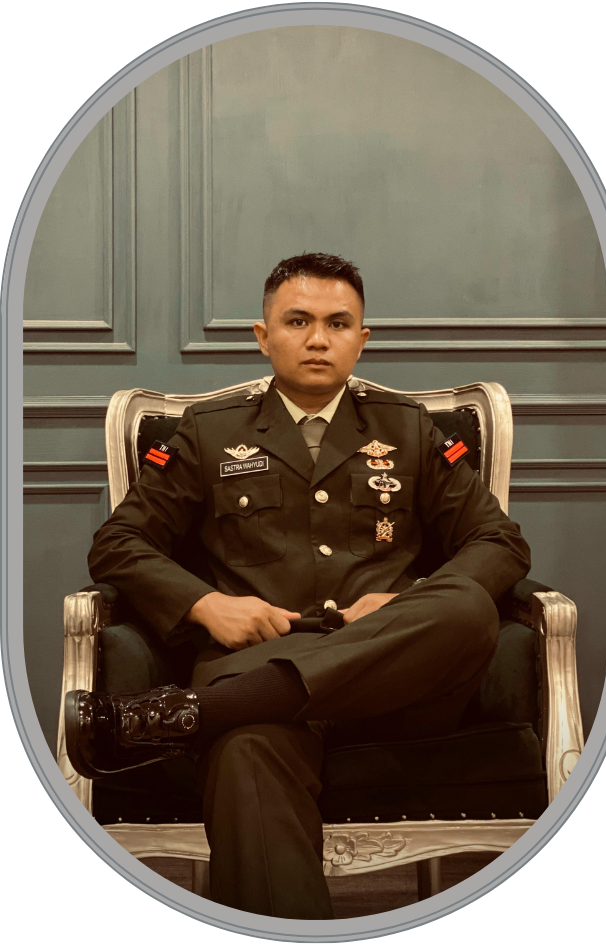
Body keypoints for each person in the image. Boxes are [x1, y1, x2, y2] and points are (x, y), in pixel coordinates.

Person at [65, 252, 531, 919]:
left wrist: (403, 606)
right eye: (297, 321)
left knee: (465, 606)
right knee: (245, 753)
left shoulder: (408, 428)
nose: (318, 339)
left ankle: (192, 712)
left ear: (361, 339)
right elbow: (117, 543)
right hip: (257, 662)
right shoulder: (208, 433)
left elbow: (500, 541)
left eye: (337, 323)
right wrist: (205, 603)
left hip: (396, 679)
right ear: (263, 335)